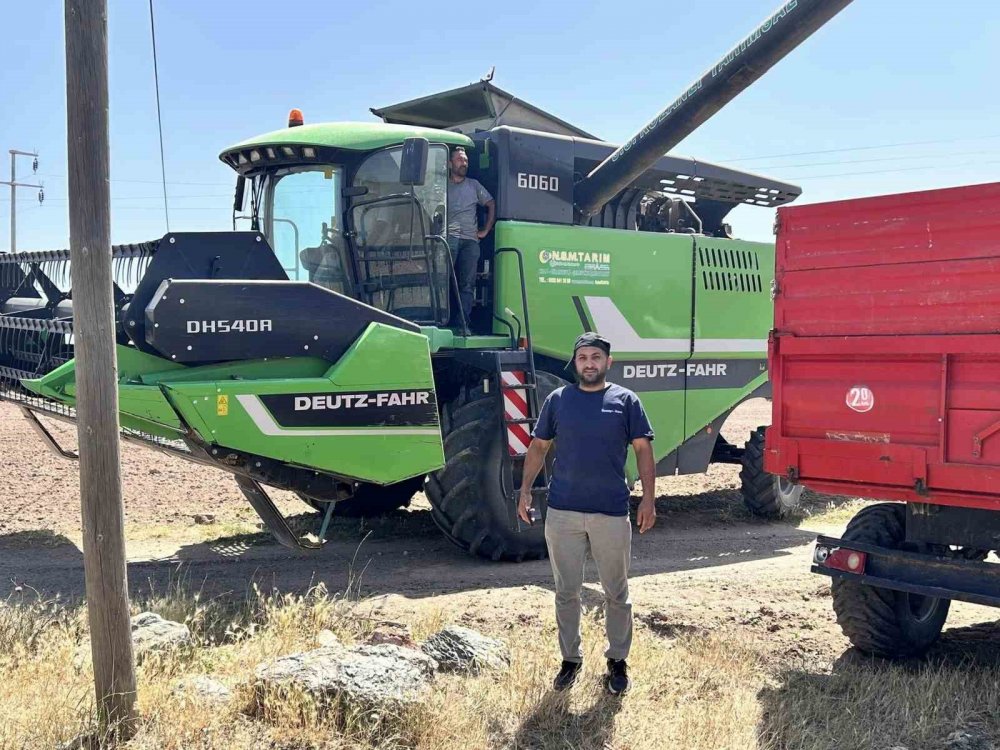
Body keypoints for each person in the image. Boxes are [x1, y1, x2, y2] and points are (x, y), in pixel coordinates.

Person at [518, 332, 657, 695]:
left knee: (616, 593)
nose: (590, 363)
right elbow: (538, 447)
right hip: (562, 513)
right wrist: (525, 491)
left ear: (608, 362)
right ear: (575, 363)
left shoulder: (626, 401)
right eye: (583, 358)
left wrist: (648, 499)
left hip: (610, 512)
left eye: (596, 357)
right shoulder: (558, 400)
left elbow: (643, 451)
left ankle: (617, 661)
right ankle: (570, 660)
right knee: (566, 592)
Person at [446, 146, 495, 329]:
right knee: (444, 280)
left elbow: (491, 203)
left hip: (470, 241)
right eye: (459, 159)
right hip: (447, 239)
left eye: (465, 160)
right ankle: (443, 319)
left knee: (467, 284)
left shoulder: (474, 185)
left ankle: (463, 324)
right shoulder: (442, 186)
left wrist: (485, 230)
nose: (463, 163)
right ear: (450, 163)